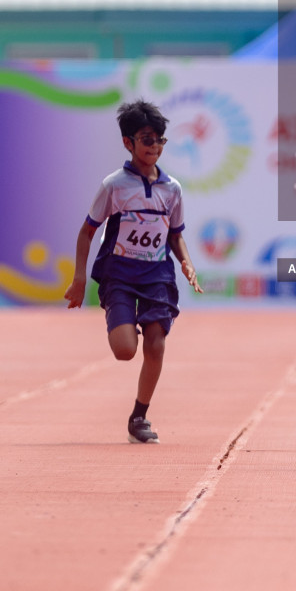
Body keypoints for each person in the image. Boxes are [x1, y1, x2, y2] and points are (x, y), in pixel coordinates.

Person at [63, 100, 204, 444]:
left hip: (157, 274)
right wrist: (80, 278)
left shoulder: (172, 189)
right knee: (125, 350)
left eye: (160, 140)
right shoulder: (114, 185)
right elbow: (87, 232)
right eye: (146, 140)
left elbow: (175, 235)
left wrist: (186, 261)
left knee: (156, 344)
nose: (154, 147)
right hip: (121, 274)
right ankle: (122, 317)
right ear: (128, 142)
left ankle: (139, 416)